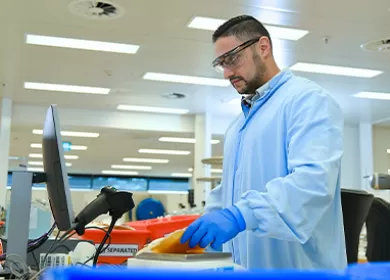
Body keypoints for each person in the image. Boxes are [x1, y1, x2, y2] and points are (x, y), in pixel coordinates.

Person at [180, 15, 347, 270]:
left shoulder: (307, 100)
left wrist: (240, 215)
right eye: (220, 64)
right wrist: (208, 220)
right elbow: (231, 190)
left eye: (232, 59)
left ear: (263, 47)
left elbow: (313, 183)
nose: (227, 73)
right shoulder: (238, 125)